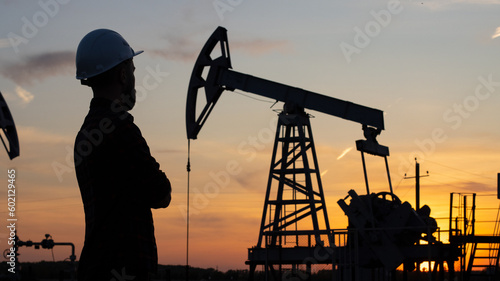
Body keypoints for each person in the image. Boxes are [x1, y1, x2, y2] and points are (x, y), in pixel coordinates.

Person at [74, 29, 171, 281]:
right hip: (125, 267)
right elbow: (161, 193)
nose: (134, 79)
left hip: (95, 267)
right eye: (133, 71)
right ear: (122, 74)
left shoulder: (85, 134)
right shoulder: (120, 128)